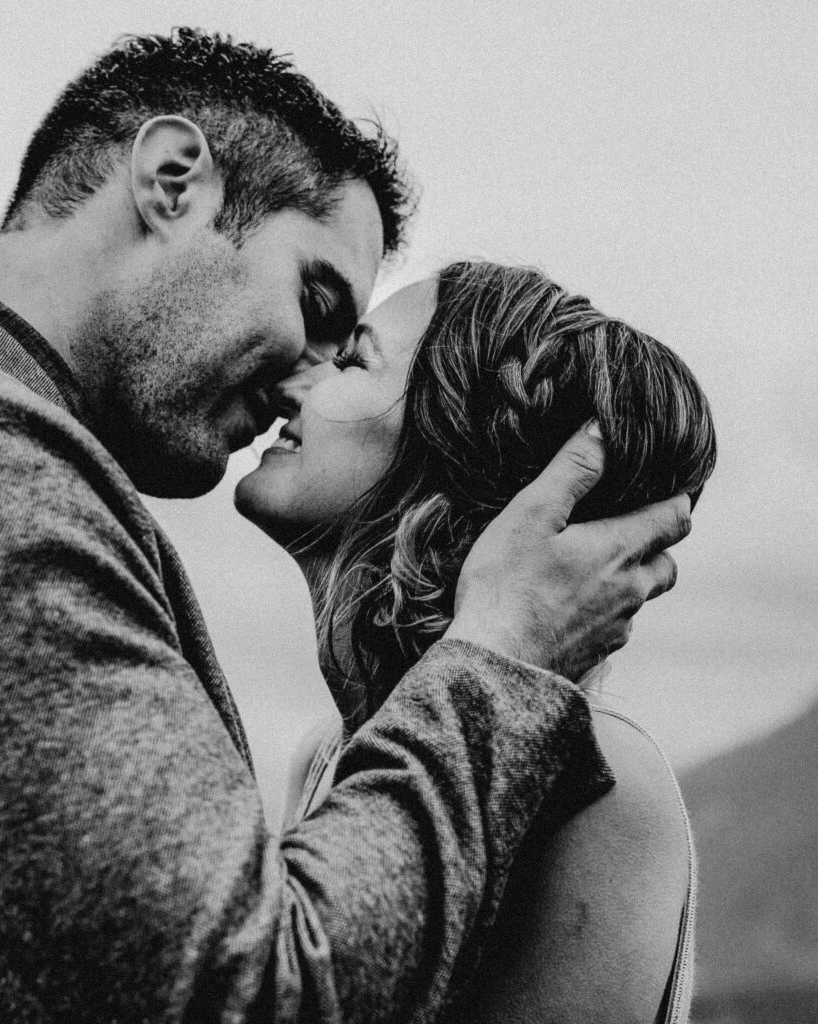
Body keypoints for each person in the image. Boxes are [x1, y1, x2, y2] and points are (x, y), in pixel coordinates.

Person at [0, 30, 691, 1023]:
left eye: (349, 352)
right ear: (174, 180)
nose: (301, 373)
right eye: (313, 297)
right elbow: (236, 995)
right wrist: (500, 655)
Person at [235, 262, 716, 1023]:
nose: (297, 379)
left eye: (355, 359)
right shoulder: (327, 752)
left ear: (452, 448)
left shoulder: (598, 778)